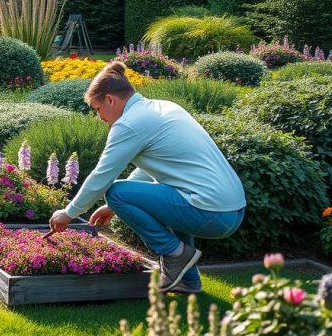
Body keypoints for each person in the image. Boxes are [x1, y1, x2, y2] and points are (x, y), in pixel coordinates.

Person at [48, 62, 246, 293]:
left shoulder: (129, 124)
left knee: (115, 191)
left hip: (212, 213)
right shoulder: (162, 108)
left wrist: (69, 213)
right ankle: (187, 281)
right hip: (231, 210)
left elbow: (102, 175)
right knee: (175, 196)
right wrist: (113, 208)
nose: (99, 117)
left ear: (110, 99)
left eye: (97, 108)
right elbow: (149, 169)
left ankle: (173, 253)